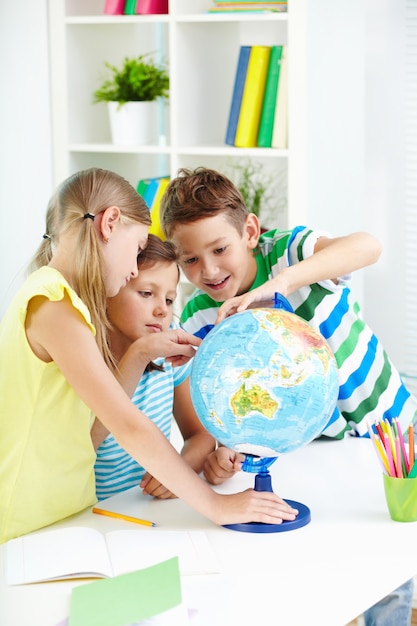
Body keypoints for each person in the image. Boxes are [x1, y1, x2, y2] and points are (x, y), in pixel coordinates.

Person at [160, 166, 416, 626]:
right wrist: (222, 450)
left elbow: (368, 246)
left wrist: (283, 283)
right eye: (191, 260)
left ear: (251, 231)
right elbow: (225, 393)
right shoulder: (201, 316)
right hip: (311, 449)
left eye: (220, 249)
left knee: (387, 566)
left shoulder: (288, 253)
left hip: (387, 428)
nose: (210, 270)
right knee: (333, 559)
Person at [0, 167, 299, 545]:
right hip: (26, 520)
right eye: (137, 248)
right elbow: (127, 425)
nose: (130, 270)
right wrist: (218, 507)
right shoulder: (53, 303)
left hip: (66, 513)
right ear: (109, 224)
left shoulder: (60, 301)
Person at [92, 234, 216, 500]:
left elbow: (200, 435)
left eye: (169, 300)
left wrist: (179, 472)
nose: (162, 310)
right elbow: (81, 447)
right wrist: (138, 355)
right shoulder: (84, 355)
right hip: (94, 515)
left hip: (149, 509)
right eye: (147, 294)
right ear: (106, 291)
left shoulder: (166, 346)